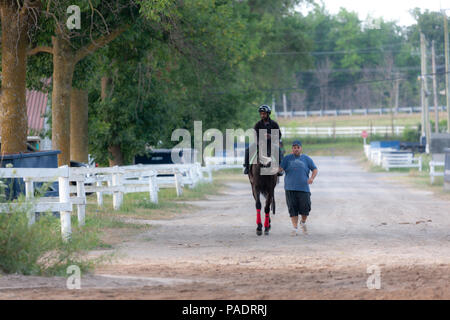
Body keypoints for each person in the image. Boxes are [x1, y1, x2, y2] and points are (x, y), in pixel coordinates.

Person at [279, 140, 318, 236]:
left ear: (301, 148)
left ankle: (303, 222)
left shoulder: (306, 159)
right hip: (290, 188)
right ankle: (295, 228)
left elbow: (315, 169)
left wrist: (311, 178)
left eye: (298, 147)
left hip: (304, 188)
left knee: (306, 208)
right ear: (292, 149)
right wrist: (277, 168)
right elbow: (280, 169)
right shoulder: (287, 158)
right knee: (292, 209)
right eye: (294, 147)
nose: (296, 149)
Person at [243, 105, 284, 175]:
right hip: (259, 144)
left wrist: (271, 136)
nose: (262, 115)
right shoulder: (257, 124)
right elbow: (255, 136)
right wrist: (259, 143)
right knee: (247, 150)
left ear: (268, 114)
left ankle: (279, 168)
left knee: (279, 150)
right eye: (261, 114)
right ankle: (246, 167)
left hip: (270, 144)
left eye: (264, 114)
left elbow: (279, 135)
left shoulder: (274, 124)